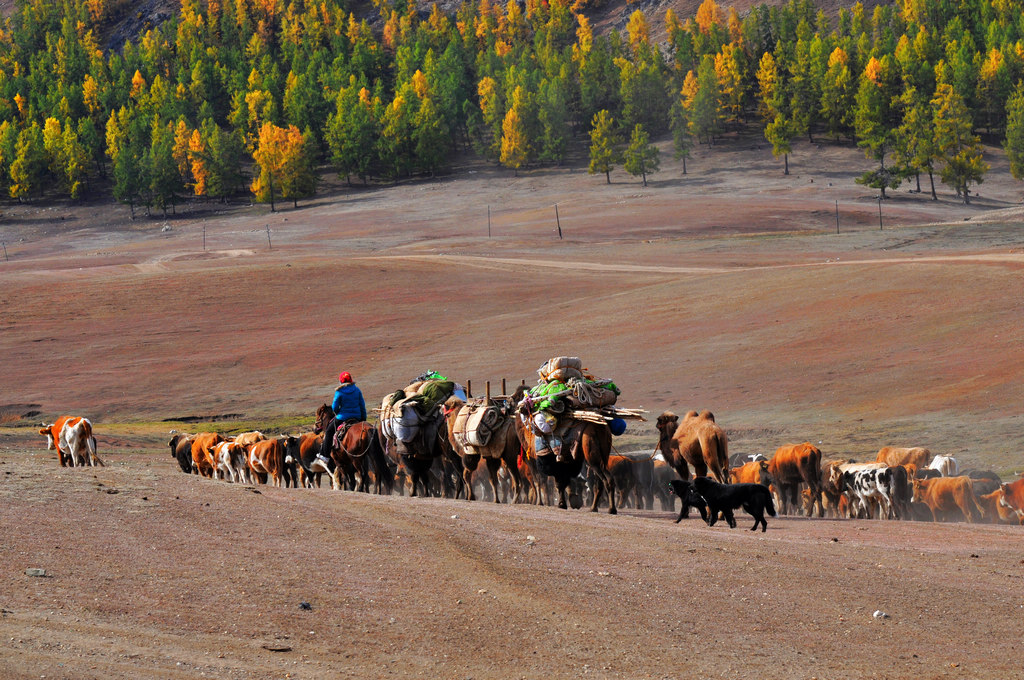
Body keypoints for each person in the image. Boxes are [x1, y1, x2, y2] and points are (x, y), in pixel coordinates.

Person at [316, 371, 367, 468]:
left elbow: (335, 407)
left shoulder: (339, 392)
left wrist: (338, 412)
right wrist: (363, 418)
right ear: (351, 380)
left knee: (329, 432)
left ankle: (325, 456)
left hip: (342, 417)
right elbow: (362, 405)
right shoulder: (357, 390)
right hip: (357, 417)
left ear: (341, 381)